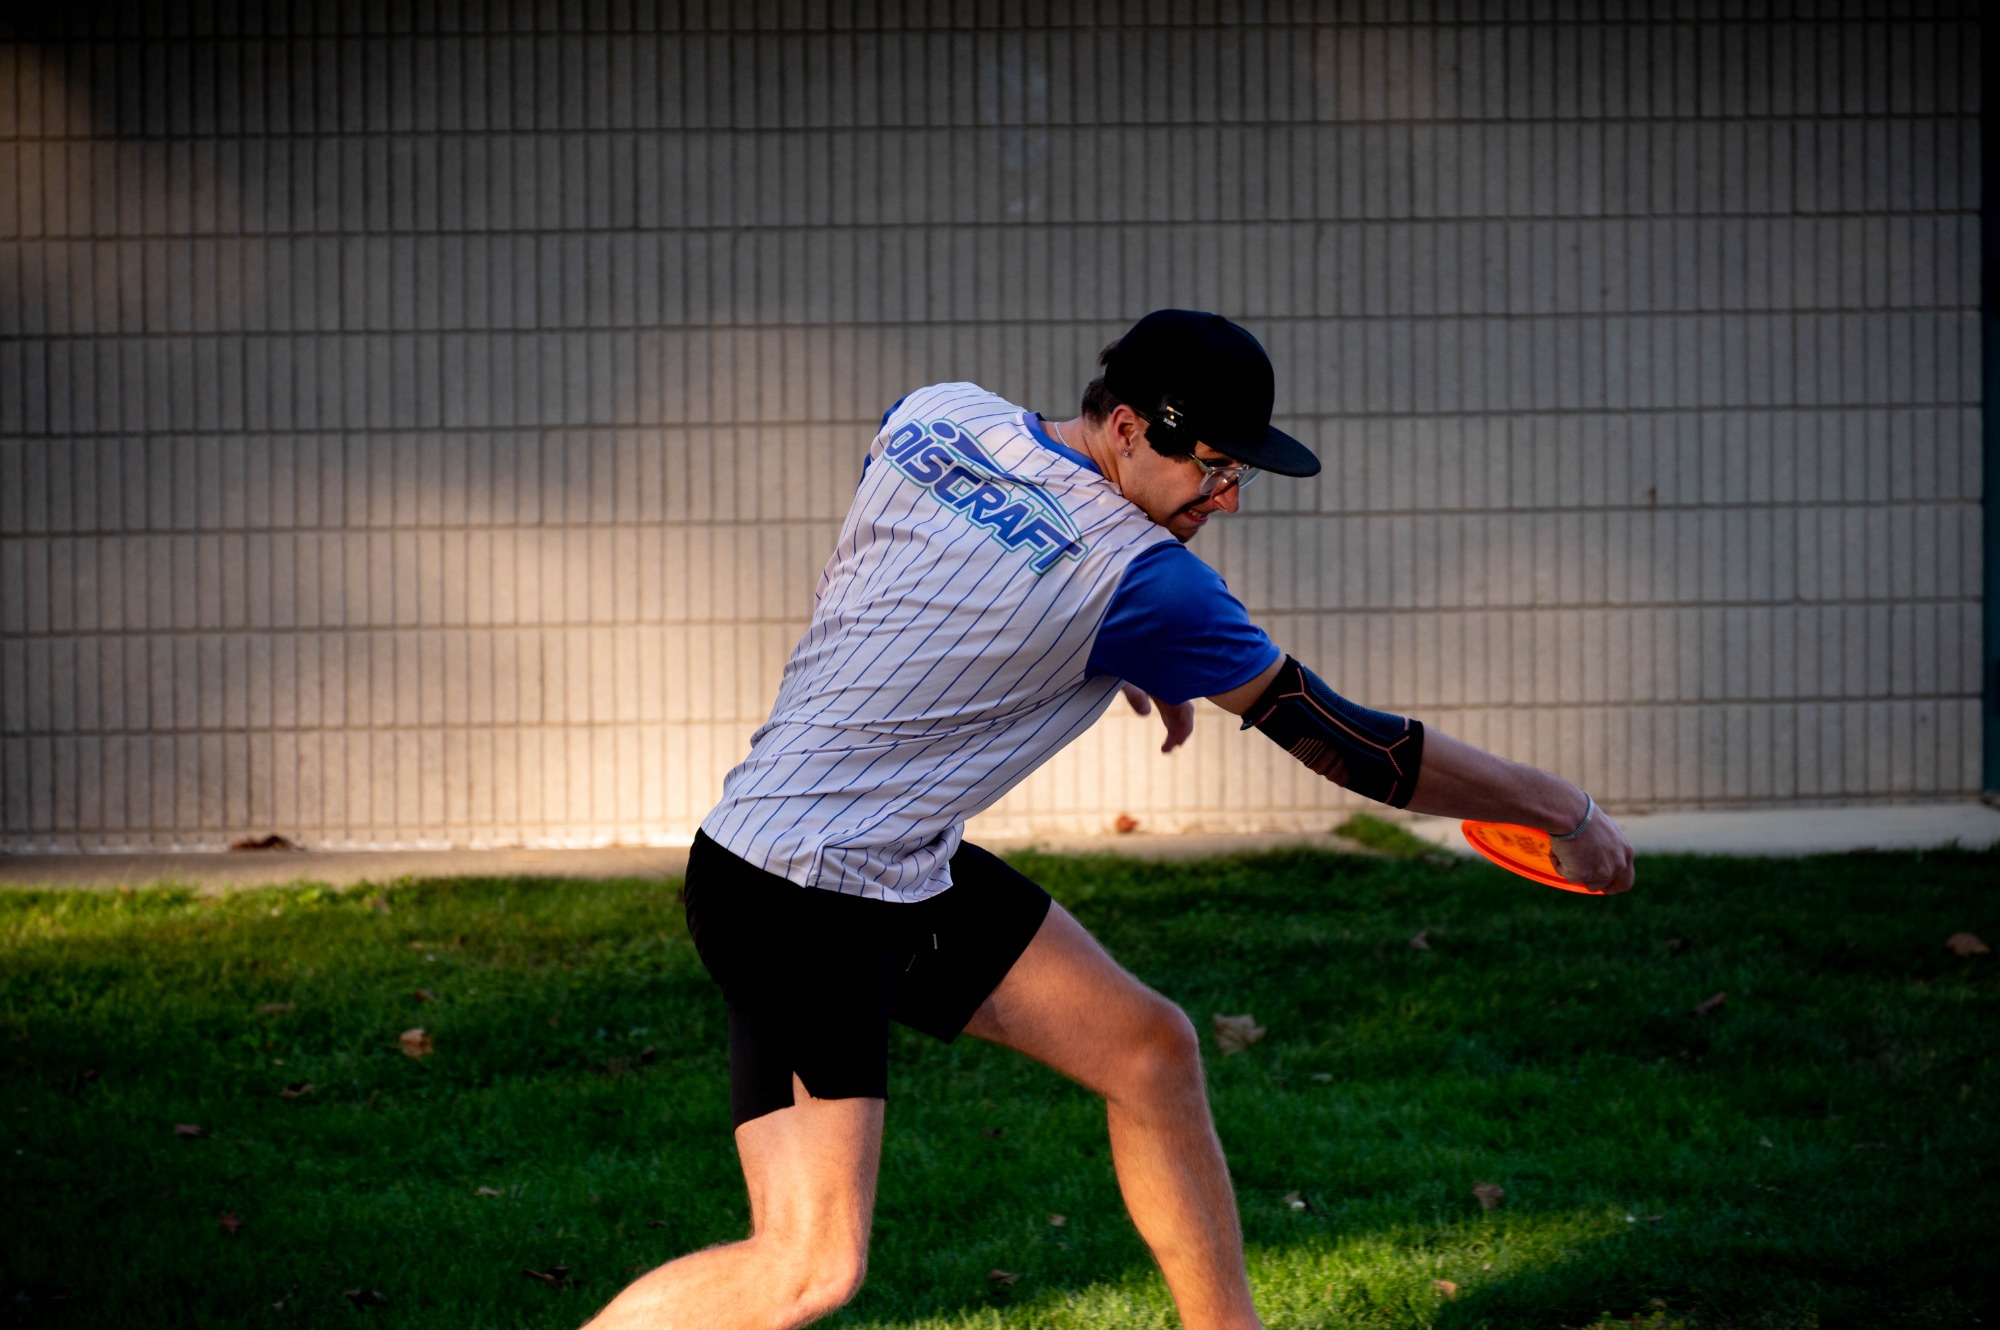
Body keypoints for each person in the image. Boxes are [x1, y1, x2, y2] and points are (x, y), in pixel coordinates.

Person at [581, 310, 1636, 1330]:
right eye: (1211, 468)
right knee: (805, 1267)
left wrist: (1079, 643)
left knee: (1148, 1051)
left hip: (866, 862)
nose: (1224, 498)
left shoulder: (937, 416)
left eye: (1238, 476)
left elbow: (914, 561)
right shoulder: (1143, 584)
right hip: (798, 901)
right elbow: (1350, 745)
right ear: (1129, 427)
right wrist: (1564, 809)